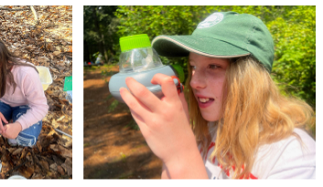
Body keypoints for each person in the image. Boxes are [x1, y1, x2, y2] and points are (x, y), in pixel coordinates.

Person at [119, 12, 315, 179]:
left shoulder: (294, 155)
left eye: (214, 66)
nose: (194, 82)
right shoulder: (208, 131)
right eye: (193, 66)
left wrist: (180, 155)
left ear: (251, 79)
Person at [0, 38, 48, 147]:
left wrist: (19, 125)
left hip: (23, 106)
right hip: (3, 102)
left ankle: (13, 125)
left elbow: (41, 107)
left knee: (27, 137)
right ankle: (4, 124)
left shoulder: (26, 74)